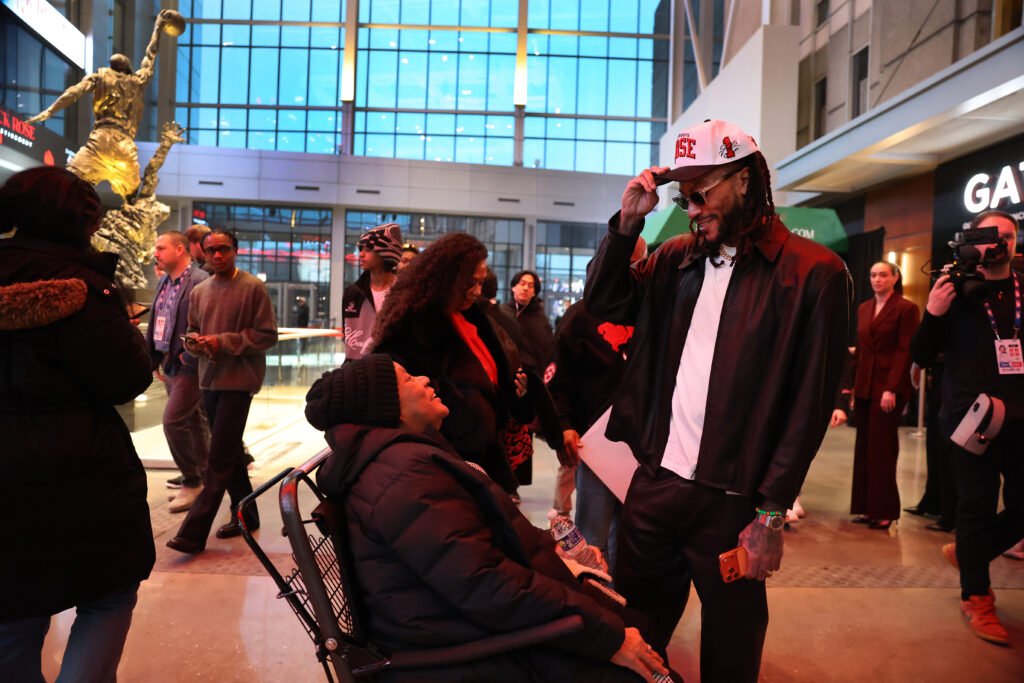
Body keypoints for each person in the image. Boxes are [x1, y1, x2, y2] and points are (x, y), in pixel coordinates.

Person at [584, 119, 850, 681]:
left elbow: (808, 408)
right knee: (635, 638)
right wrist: (628, 224)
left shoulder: (814, 276)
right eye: (683, 197)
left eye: (701, 193)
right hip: (654, 488)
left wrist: (771, 514)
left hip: (733, 505)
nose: (691, 208)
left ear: (745, 181)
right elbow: (605, 303)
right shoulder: (673, 259)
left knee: (731, 649)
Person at [304, 355, 679, 683]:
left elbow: (478, 561)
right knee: (648, 664)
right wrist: (605, 636)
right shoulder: (401, 478)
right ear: (388, 409)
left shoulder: (402, 462)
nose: (425, 380)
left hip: (465, 632)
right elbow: (488, 587)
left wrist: (560, 556)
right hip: (457, 655)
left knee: (639, 629)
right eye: (407, 379)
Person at [0, 167, 155, 680]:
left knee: (13, 610)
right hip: (80, 468)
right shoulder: (82, 289)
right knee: (108, 593)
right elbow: (124, 380)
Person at [911, 209, 1023, 645]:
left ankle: (970, 552)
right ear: (971, 240)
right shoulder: (953, 290)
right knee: (974, 507)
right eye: (991, 235)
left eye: (1009, 236)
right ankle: (977, 597)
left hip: (1020, 415)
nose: (1001, 243)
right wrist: (934, 313)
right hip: (969, 416)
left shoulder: (1020, 287)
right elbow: (921, 353)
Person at [372, 233, 530, 497]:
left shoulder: (472, 317)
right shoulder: (414, 325)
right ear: (449, 278)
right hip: (444, 464)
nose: (478, 291)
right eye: (471, 283)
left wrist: (518, 392)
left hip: (483, 458)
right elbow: (409, 401)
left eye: (481, 282)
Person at [166, 228, 278, 554]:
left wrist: (222, 342)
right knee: (229, 453)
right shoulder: (200, 292)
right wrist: (195, 343)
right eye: (212, 250)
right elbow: (192, 330)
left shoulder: (253, 288)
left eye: (224, 250)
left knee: (218, 456)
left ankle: (193, 532)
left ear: (235, 251)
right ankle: (247, 513)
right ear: (204, 252)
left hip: (239, 381)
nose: (217, 256)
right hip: (208, 379)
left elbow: (266, 335)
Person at [546, 237, 647, 572]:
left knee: (632, 538)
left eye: (639, 264)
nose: (633, 272)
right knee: (591, 540)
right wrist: (565, 425)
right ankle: (592, 604)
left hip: (643, 446)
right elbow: (558, 380)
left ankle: (624, 607)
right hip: (597, 446)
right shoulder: (580, 316)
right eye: (627, 264)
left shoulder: (650, 313)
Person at [27, 10, 182, 201]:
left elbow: (74, 92)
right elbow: (150, 56)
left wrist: (50, 111)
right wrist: (157, 28)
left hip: (105, 139)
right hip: (120, 143)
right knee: (131, 197)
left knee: (70, 184)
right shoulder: (132, 80)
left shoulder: (111, 77)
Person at [847, 261, 920, 530]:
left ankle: (885, 510)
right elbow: (862, 352)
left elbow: (905, 350)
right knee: (864, 448)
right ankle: (866, 508)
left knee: (882, 449)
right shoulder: (864, 308)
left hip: (888, 387)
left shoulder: (906, 309)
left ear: (895, 278)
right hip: (866, 384)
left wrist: (892, 388)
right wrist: (854, 389)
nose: (877, 279)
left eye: (883, 275)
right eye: (873, 274)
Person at [148, 230, 210, 513]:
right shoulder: (164, 281)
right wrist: (157, 357)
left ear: (180, 250)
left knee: (173, 421)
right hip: (169, 362)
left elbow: (207, 321)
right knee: (193, 421)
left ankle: (193, 480)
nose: (156, 253)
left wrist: (188, 354)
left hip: (190, 365)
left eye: (161, 248)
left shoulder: (199, 281)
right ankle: (205, 478)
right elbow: (158, 320)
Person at [342, 223, 402, 360]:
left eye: (368, 249)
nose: (361, 254)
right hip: (357, 370)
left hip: (394, 371)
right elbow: (348, 339)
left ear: (385, 252)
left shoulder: (404, 293)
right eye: (360, 248)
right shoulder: (352, 293)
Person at [501, 270, 555, 373]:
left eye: (530, 286)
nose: (525, 288)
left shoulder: (540, 319)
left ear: (534, 292)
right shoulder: (502, 313)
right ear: (513, 287)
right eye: (522, 284)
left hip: (532, 375)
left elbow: (545, 351)